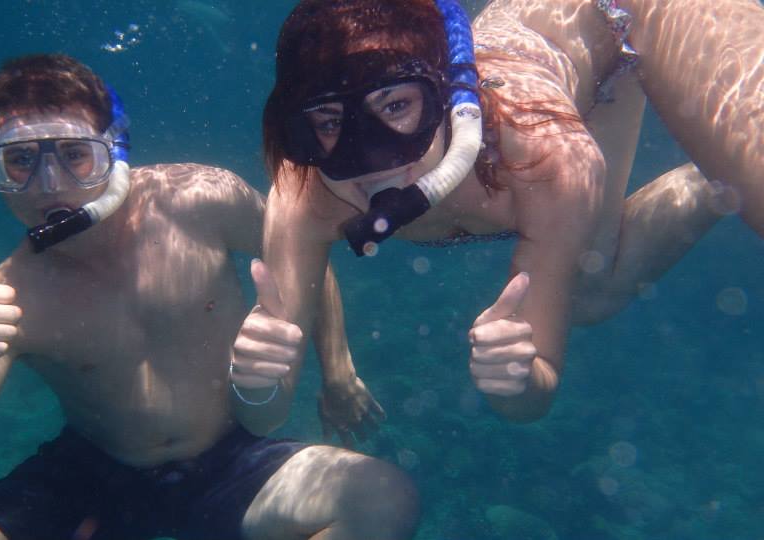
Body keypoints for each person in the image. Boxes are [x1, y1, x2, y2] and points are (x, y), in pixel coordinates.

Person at [0, 54, 417, 540]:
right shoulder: (8, 299)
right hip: (93, 474)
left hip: (232, 457)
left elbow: (301, 256)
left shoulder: (202, 200)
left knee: (380, 498)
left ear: (114, 149)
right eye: (20, 161)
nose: (49, 185)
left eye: (74, 155)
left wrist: (338, 372)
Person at [240, 0, 762, 423]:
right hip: (595, 58)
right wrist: (255, 381)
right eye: (328, 121)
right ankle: (713, 182)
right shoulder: (307, 195)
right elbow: (534, 397)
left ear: (445, 99)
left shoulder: (540, 158)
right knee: (592, 291)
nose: (369, 160)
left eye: (396, 106)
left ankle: (732, 171)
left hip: (637, 11)